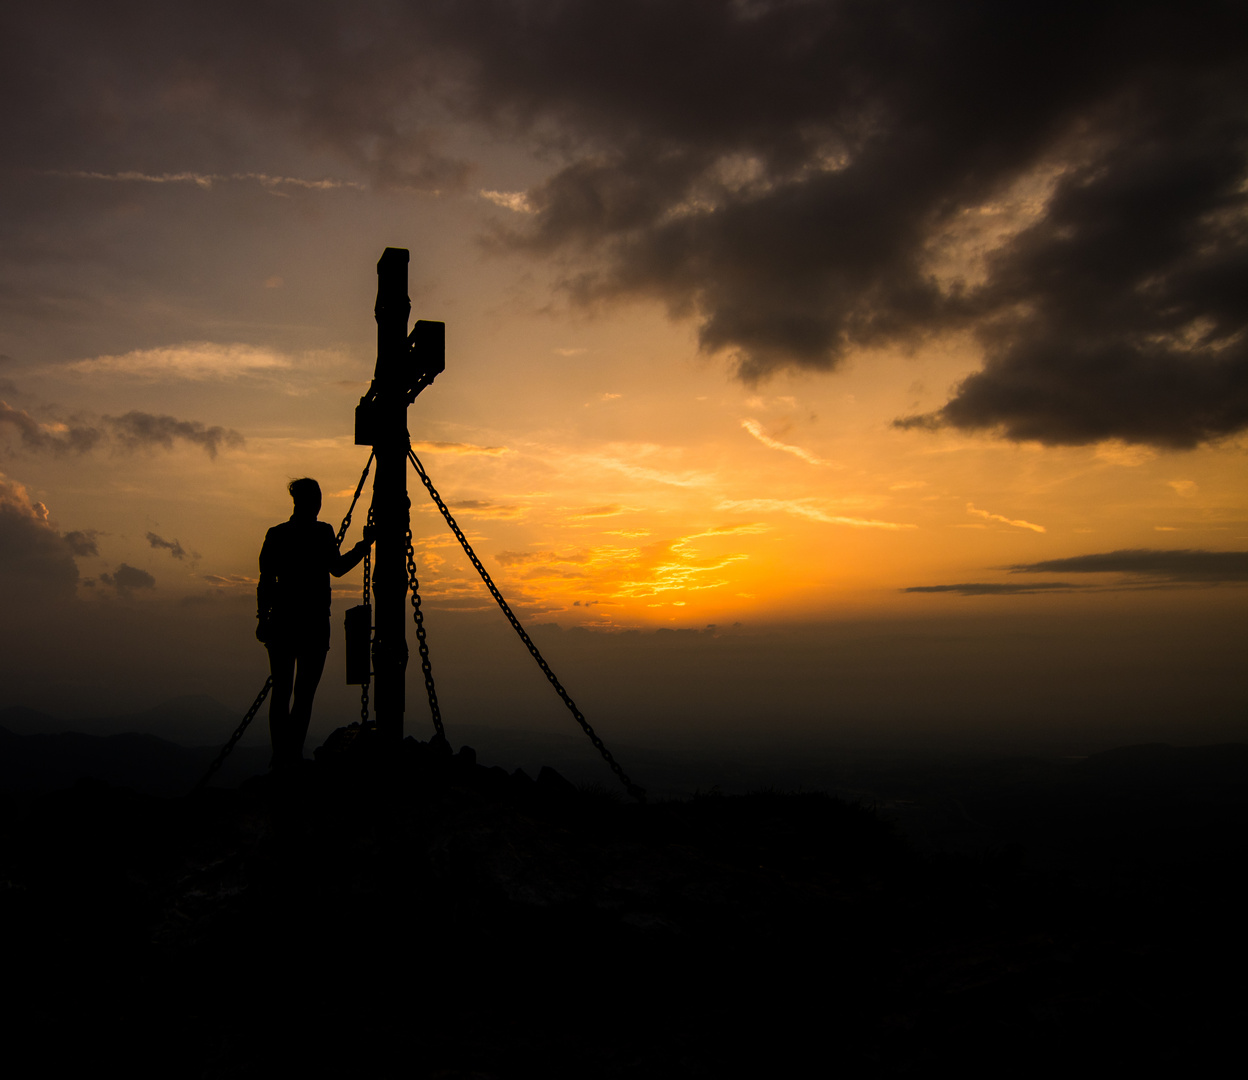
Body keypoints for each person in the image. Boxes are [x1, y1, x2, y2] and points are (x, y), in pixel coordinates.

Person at [256, 477, 374, 768]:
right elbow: (337, 568)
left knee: (281, 692)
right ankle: (292, 755)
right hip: (314, 624)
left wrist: (263, 618)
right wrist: (364, 545)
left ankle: (280, 756)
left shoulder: (276, 534)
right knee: (304, 694)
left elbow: (265, 582)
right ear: (315, 502)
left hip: (282, 622)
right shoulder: (322, 533)